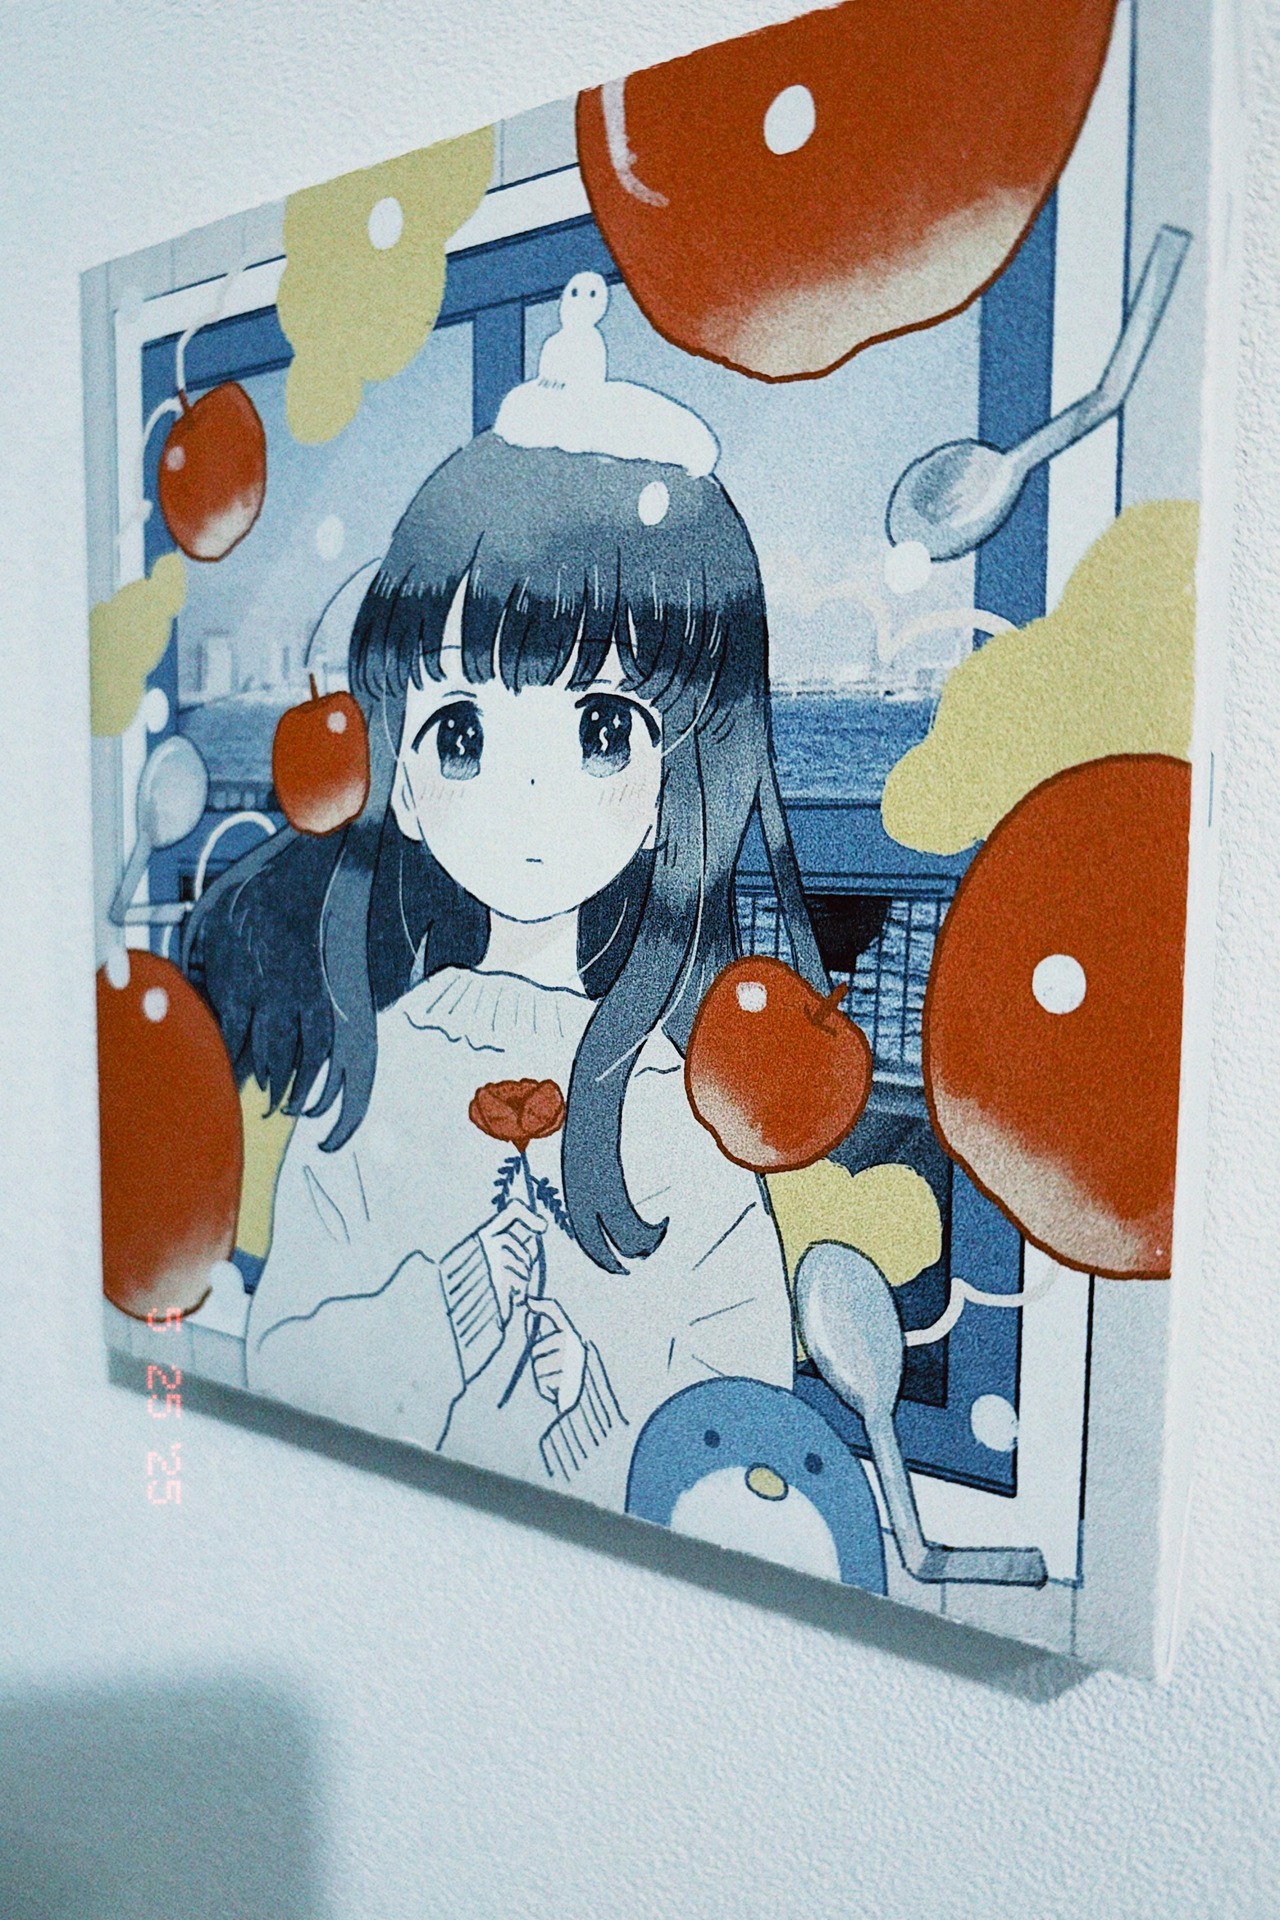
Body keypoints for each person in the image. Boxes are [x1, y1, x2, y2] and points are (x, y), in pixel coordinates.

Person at [186, 386, 827, 1511]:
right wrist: (455, 1304)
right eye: (462, 734)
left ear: (674, 774)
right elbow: (286, 1353)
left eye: (602, 731)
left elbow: (739, 1431)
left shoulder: (679, 1111)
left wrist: (595, 1399)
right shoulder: (382, 1068)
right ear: (402, 783)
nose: (529, 794)